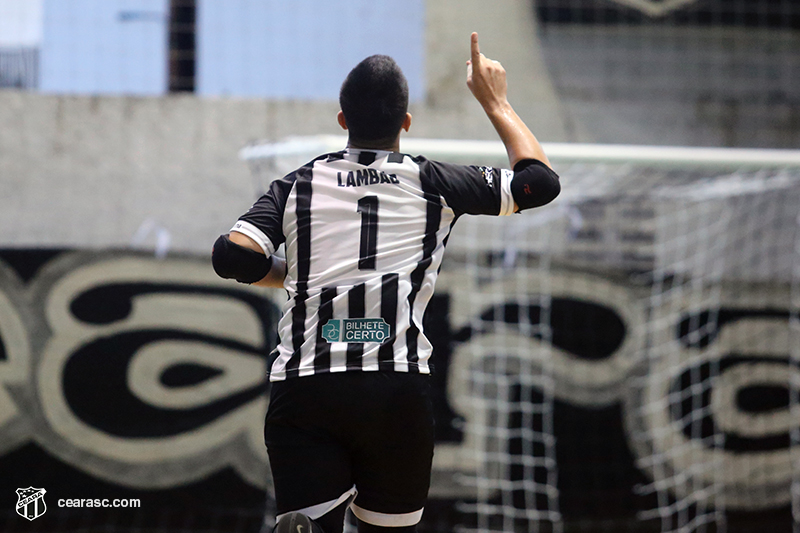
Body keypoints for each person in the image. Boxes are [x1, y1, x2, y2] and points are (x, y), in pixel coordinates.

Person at [212, 33, 560, 533]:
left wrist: (293, 276)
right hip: (395, 390)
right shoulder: (433, 183)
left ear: (341, 121)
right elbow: (538, 185)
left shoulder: (296, 185)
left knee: (308, 523)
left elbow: (231, 256)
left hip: (307, 387)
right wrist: (496, 101)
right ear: (406, 123)